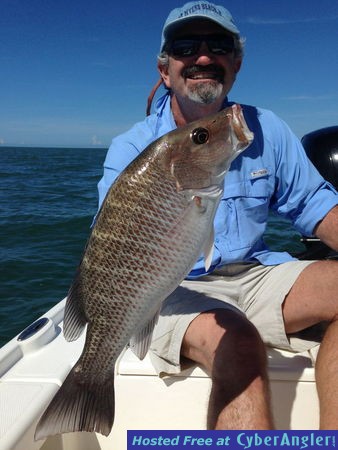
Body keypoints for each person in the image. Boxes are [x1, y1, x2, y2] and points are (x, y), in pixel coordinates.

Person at [97, 1, 338, 429]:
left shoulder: (265, 127)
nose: (204, 57)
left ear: (236, 63)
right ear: (165, 69)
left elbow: (315, 206)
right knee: (237, 340)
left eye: (219, 45)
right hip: (173, 287)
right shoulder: (133, 150)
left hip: (257, 274)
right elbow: (116, 256)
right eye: (186, 46)